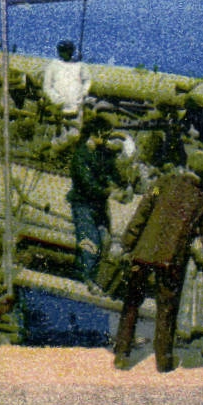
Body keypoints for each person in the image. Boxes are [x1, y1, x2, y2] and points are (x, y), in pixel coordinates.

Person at [112, 151, 203, 372]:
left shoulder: (161, 184)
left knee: (131, 302)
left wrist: (127, 243)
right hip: (172, 261)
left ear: (188, 167)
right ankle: (163, 360)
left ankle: (122, 354)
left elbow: (142, 213)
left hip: (143, 253)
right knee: (167, 309)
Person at [67, 116, 125, 292]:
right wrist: (109, 192)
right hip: (83, 205)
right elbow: (87, 184)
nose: (107, 140)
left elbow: (113, 173)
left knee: (105, 241)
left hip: (99, 206)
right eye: (105, 136)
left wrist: (123, 184)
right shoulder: (81, 156)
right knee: (89, 243)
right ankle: (87, 280)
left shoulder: (102, 153)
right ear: (95, 134)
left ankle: (93, 277)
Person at [42, 40, 92, 126]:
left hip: (75, 108)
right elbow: (47, 86)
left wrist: (82, 94)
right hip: (58, 108)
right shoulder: (53, 65)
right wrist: (56, 99)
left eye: (68, 51)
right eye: (63, 51)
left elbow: (87, 80)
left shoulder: (80, 66)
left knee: (74, 130)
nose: (66, 53)